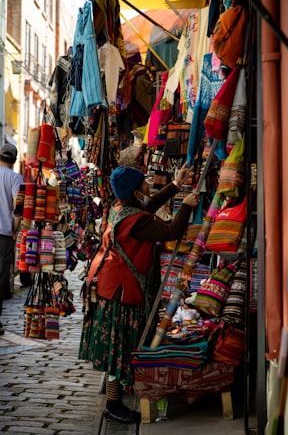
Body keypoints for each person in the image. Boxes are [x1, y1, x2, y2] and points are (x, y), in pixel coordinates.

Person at [79, 163, 199, 423]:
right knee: (118, 349)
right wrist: (186, 205)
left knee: (117, 346)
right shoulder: (137, 221)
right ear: (135, 191)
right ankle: (113, 404)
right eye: (143, 183)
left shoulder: (119, 208)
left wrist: (176, 186)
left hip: (109, 285)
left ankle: (117, 396)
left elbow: (148, 207)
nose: (148, 185)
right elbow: (171, 231)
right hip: (121, 291)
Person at [0, 143, 23, 335]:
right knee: (1, 276)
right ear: (14, 161)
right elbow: (19, 209)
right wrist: (15, 230)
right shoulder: (15, 178)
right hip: (4, 234)